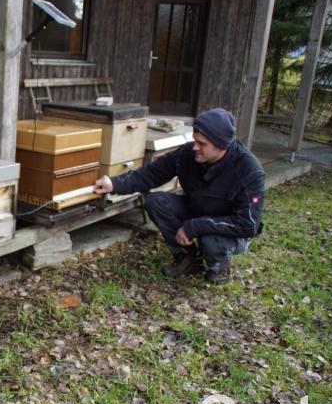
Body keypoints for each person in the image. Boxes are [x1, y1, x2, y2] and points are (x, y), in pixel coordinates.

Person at [93, 108, 265, 284]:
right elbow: (151, 174)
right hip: (198, 208)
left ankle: (219, 267)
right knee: (156, 202)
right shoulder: (187, 154)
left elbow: (247, 225)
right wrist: (115, 184)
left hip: (227, 227)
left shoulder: (249, 171)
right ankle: (188, 259)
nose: (195, 147)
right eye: (195, 139)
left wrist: (195, 226)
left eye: (202, 143)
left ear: (221, 145)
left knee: (210, 242)